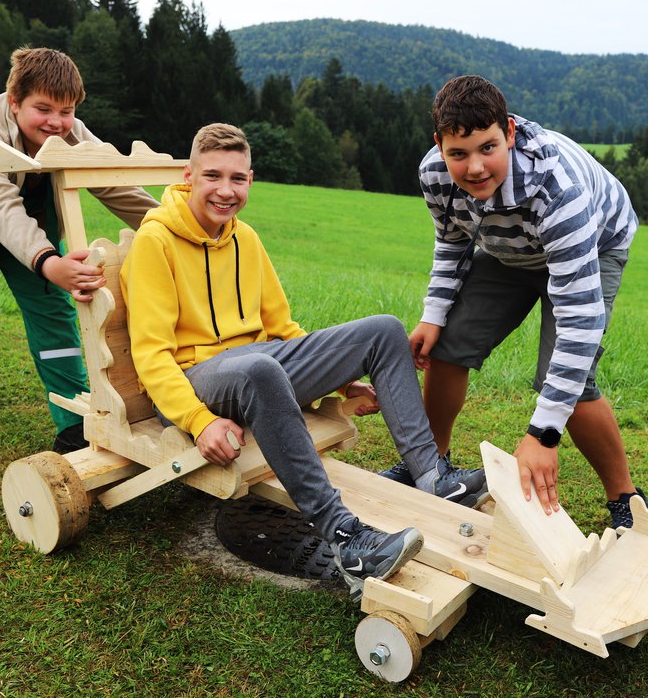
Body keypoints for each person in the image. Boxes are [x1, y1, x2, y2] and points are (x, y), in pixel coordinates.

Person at [120, 123, 488, 596]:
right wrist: (198, 421)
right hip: (197, 379)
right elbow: (151, 354)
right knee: (261, 368)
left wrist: (338, 381)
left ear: (251, 181)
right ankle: (347, 540)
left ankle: (432, 476)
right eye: (213, 177)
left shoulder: (245, 239)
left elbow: (284, 329)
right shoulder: (156, 242)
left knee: (384, 330)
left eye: (238, 179)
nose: (225, 191)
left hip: (259, 364)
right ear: (189, 176)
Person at [387, 75, 648, 530]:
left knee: (568, 374)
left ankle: (625, 498)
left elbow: (580, 324)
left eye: (488, 147)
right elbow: (452, 242)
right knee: (448, 343)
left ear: (509, 132)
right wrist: (433, 315)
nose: (474, 168)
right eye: (458, 154)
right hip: (509, 248)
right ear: (440, 146)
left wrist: (543, 434)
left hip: (592, 245)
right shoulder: (434, 175)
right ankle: (428, 468)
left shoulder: (557, 189)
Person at [0, 47, 159, 453]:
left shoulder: (70, 130)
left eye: (67, 111)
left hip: (28, 220)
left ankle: (73, 426)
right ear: (14, 101)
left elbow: (114, 184)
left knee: (54, 311)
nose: (57, 122)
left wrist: (173, 226)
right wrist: (48, 262)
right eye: (43, 109)